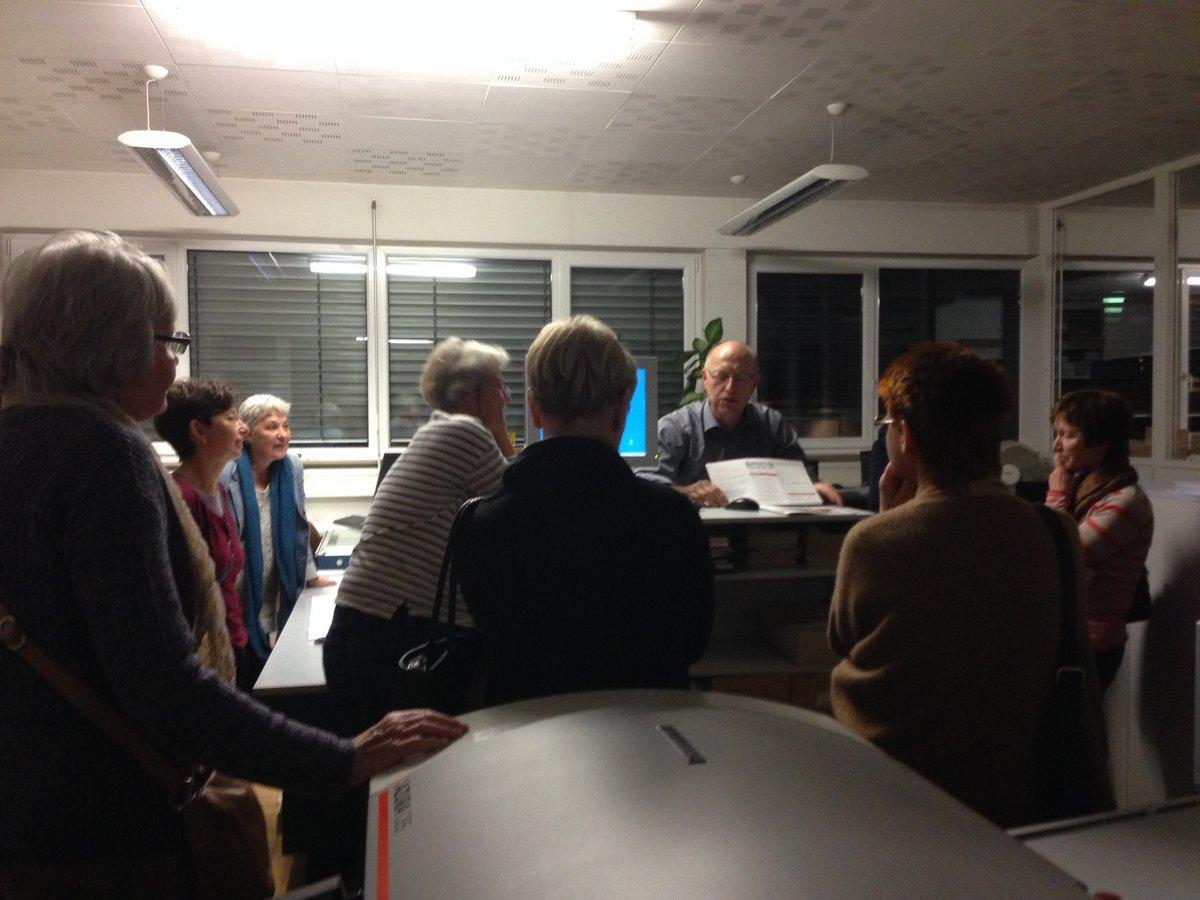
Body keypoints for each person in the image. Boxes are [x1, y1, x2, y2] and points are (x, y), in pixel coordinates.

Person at [0, 231, 466, 897]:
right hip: (106, 831)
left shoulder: (18, 436)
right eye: (170, 342)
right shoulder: (103, 454)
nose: (175, 364)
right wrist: (344, 756)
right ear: (116, 344)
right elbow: (165, 686)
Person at [826, 341, 1102, 828]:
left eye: (888, 424)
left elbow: (844, 639)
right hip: (1019, 794)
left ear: (907, 436)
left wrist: (887, 518)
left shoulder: (872, 542)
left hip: (899, 793)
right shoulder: (1055, 532)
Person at [457, 315, 714, 706]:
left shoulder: (481, 525)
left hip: (524, 733)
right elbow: (693, 644)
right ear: (622, 406)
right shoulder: (674, 519)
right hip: (645, 727)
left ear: (534, 409)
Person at [324, 337, 515, 730]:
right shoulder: (465, 432)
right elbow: (520, 504)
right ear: (469, 395)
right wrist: (498, 430)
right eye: (499, 386)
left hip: (367, 631)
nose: (507, 397)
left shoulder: (438, 431)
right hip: (393, 638)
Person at [637, 339, 842, 507]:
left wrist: (812, 487)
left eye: (741, 378)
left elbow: (799, 475)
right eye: (721, 376)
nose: (730, 387)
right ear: (705, 379)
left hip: (758, 532)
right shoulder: (674, 428)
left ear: (754, 383)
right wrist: (687, 491)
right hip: (696, 530)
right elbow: (645, 482)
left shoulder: (772, 425)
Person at [155, 378, 262, 688]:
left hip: (233, 643)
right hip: (205, 659)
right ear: (199, 431)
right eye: (231, 418)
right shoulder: (180, 500)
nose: (244, 428)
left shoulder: (220, 492)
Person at [1046, 389, 1154, 691]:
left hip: (1091, 645)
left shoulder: (1124, 501)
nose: (1056, 445)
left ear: (1100, 442)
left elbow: (1060, 556)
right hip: (1069, 638)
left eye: (1067, 435)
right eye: (1057, 434)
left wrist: (1057, 495)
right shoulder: (1083, 487)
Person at [223, 393, 335, 680]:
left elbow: (299, 527)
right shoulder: (227, 473)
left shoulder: (291, 467)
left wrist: (311, 576)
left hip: (273, 584)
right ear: (248, 433)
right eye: (271, 427)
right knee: (243, 665)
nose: (283, 434)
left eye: (286, 426)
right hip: (238, 589)